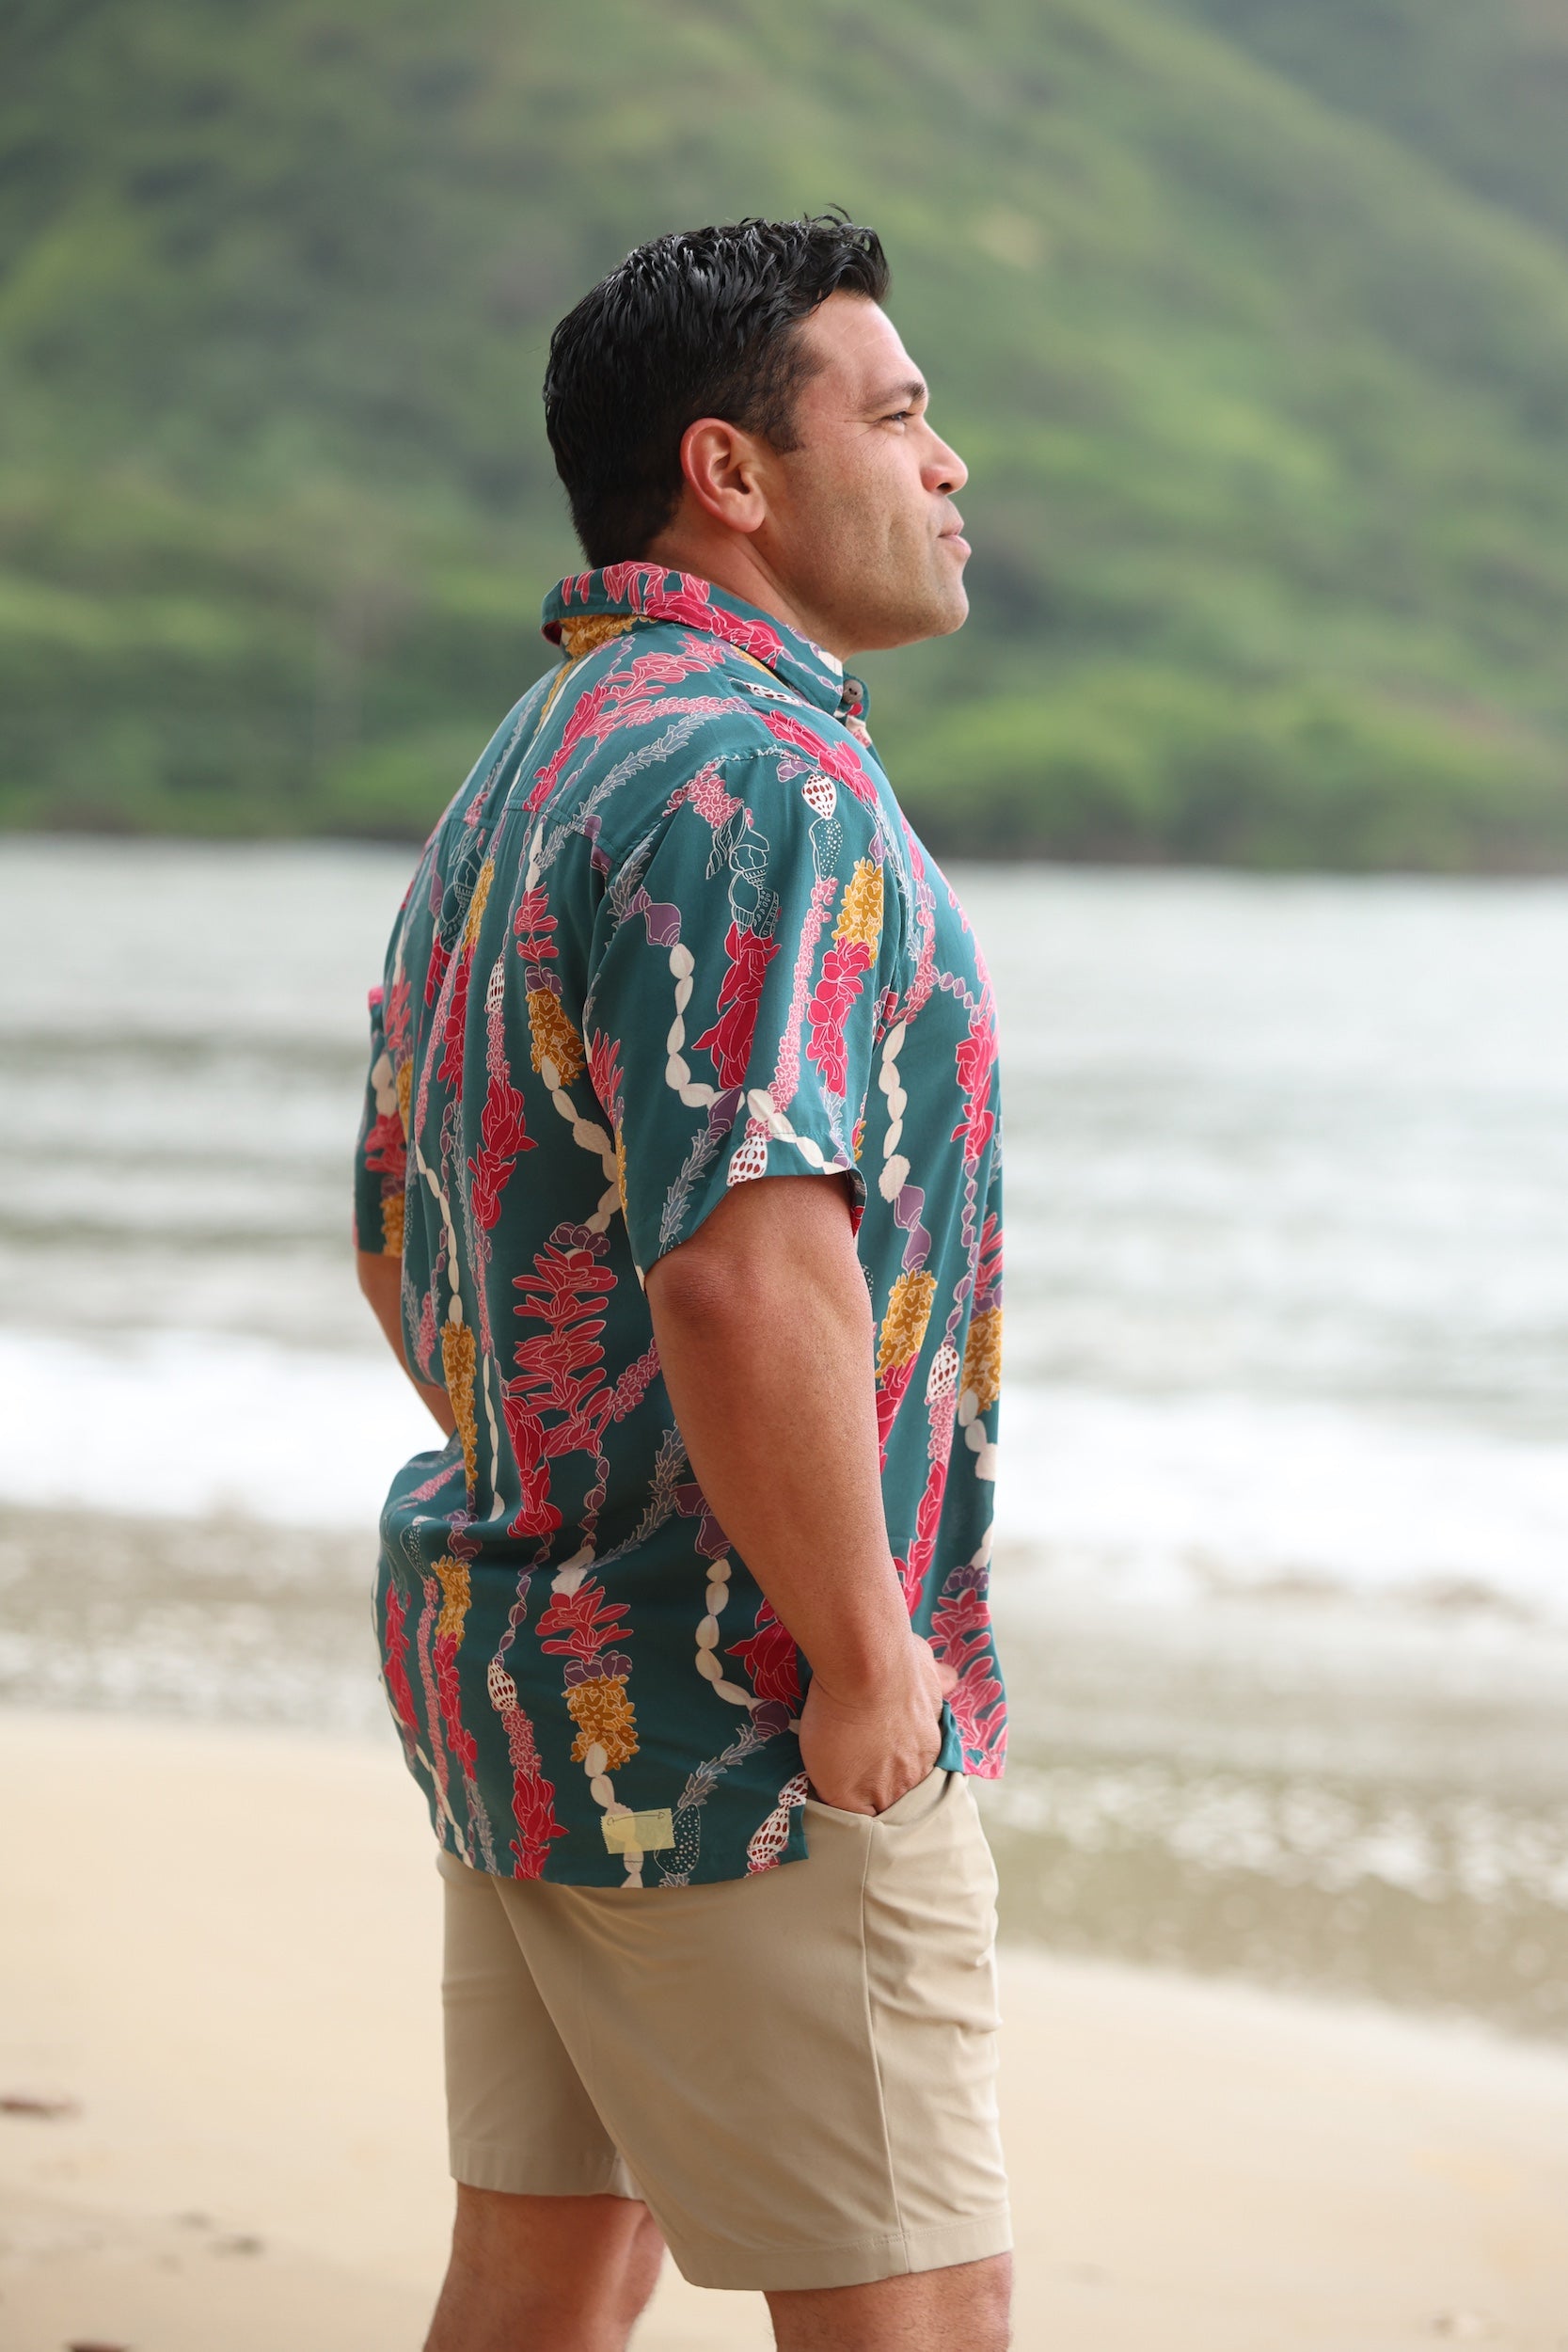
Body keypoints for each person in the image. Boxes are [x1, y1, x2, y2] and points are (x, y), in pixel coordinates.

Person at [353, 214, 1009, 2352]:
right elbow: (746, 1274)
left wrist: (561, 1484)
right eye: (898, 414)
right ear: (734, 472)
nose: (949, 463)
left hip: (533, 1669)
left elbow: (399, 1220)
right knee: (923, 2314)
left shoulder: (526, 767)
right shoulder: (754, 778)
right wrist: (861, 1656)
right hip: (741, 1713)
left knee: (542, 2286)